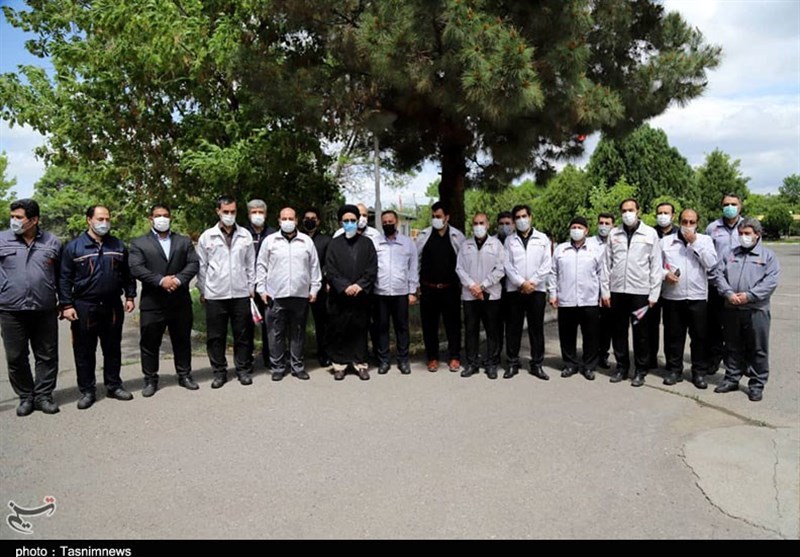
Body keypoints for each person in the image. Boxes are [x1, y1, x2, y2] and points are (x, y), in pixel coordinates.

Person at [60, 205, 137, 409]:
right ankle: (87, 391)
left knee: (112, 348)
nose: (104, 223)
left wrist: (130, 296)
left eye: (107, 219)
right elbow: (64, 279)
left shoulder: (118, 245)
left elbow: (128, 274)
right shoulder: (74, 247)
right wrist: (66, 305)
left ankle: (113, 386)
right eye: (100, 219)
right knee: (84, 351)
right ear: (89, 220)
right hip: (84, 306)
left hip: (112, 306)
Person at [128, 203, 200, 397]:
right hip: (153, 303)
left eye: (165, 215)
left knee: (182, 341)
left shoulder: (183, 241)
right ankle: (150, 379)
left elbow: (193, 263)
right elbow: (136, 268)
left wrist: (177, 279)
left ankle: (184, 375)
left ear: (170, 218)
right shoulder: (139, 243)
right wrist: (161, 281)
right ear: (151, 219)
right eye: (158, 215)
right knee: (150, 343)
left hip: (180, 301)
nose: (162, 218)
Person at [0, 199, 62, 416]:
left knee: (47, 355)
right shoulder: (2, 240)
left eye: (19, 217)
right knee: (16, 356)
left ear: (34, 220)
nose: (14, 221)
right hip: (10, 310)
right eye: (12, 217)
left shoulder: (52, 242)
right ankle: (26, 396)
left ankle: (43, 396)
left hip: (44, 309)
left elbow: (61, 276)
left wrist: (65, 302)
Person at [713, 218, 780, 402]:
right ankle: (731, 378)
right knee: (732, 346)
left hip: (756, 309)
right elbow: (719, 275)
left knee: (758, 348)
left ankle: (757, 384)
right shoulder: (730, 253)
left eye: (747, 234)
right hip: (732, 307)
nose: (743, 237)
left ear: (757, 235)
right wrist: (728, 293)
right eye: (741, 234)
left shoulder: (768, 256)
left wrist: (749, 296)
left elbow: (771, 282)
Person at [600, 198, 662, 387]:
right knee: (619, 331)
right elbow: (606, 264)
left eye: (631, 210)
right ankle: (621, 367)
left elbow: (656, 265)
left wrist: (654, 293)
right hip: (617, 291)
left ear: (638, 211)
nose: (627, 214)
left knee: (640, 332)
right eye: (624, 210)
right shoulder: (614, 234)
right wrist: (605, 291)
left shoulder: (650, 233)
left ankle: (641, 370)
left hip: (640, 293)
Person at [196, 195, 255, 388]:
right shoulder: (207, 236)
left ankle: (243, 370)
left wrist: (251, 288)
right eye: (226, 211)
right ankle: (219, 372)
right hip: (215, 294)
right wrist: (204, 290)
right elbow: (202, 267)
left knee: (243, 335)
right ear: (218, 212)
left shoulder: (245, 235)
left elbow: (251, 264)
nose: (229, 215)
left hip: (240, 293)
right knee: (216, 336)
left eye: (233, 211)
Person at [256, 207, 321, 381]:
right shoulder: (270, 241)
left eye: (290, 218)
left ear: (296, 220)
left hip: (300, 295)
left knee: (297, 333)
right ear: (279, 221)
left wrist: (314, 289)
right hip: (275, 295)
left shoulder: (306, 241)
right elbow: (261, 266)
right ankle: (277, 367)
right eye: (284, 218)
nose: (287, 221)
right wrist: (261, 289)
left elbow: (314, 267)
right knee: (275, 333)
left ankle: (297, 366)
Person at [659, 208, 717, 389]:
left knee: (699, 337)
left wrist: (695, 243)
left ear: (697, 224)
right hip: (672, 297)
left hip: (697, 297)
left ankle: (699, 372)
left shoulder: (705, 240)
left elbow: (711, 263)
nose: (688, 225)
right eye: (685, 222)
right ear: (679, 221)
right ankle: (674, 370)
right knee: (673, 336)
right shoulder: (666, 242)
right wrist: (665, 275)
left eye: (692, 222)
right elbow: (655, 265)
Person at [325, 205, 378, 380]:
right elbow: (330, 269)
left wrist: (359, 285)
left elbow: (372, 268)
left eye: (353, 220)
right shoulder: (334, 244)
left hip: (360, 297)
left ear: (357, 221)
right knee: (340, 329)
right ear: (341, 222)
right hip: (340, 297)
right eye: (346, 221)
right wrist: (344, 286)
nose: (350, 224)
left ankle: (360, 364)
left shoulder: (367, 243)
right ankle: (339, 365)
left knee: (360, 329)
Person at [549, 216, 603, 380]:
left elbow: (602, 274)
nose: (576, 230)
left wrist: (603, 294)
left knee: (591, 335)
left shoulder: (595, 250)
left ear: (586, 231)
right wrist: (553, 293)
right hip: (566, 299)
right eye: (574, 227)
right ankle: (570, 364)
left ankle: (589, 366)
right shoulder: (561, 250)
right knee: (567, 335)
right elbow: (553, 273)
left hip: (590, 299)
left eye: (580, 227)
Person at [503, 204, 552, 380]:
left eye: (524, 216)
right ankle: (512, 363)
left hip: (536, 290)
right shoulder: (509, 240)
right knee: (513, 328)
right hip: (515, 290)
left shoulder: (542, 239)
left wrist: (533, 282)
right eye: (517, 217)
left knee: (536, 328)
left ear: (530, 217)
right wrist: (521, 283)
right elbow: (507, 264)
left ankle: (536, 364)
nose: (521, 220)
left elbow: (546, 264)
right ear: (514, 221)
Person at [416, 201, 466, 372]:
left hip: (450, 289)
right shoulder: (424, 236)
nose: (435, 219)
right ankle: (432, 358)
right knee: (429, 325)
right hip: (428, 289)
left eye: (438, 216)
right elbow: (417, 261)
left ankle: (454, 357)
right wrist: (416, 285)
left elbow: (463, 262)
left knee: (453, 324)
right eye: (433, 216)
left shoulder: (457, 236)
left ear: (447, 217)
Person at [456, 212, 505, 379]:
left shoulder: (496, 245)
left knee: (492, 330)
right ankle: (472, 364)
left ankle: (491, 364)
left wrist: (483, 285)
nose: (478, 226)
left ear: (488, 225)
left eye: (481, 223)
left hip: (490, 294)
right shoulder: (465, 245)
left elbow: (500, 269)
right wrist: (472, 285)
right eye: (475, 223)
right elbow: (459, 268)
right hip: (470, 295)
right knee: (471, 330)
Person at [374, 210, 418, 375]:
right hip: (381, 292)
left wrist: (412, 291)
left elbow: (413, 268)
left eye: (390, 222)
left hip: (401, 292)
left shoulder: (407, 243)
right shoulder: (376, 243)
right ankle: (384, 361)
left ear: (397, 222)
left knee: (402, 328)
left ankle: (403, 360)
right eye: (384, 222)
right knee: (382, 328)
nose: (387, 224)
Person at [705, 193, 745, 373]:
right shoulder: (712, 228)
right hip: (715, 284)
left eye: (733, 204)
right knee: (714, 324)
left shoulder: (747, 226)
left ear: (740, 206)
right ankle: (714, 357)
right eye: (726, 204)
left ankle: (735, 360)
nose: (730, 207)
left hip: (737, 285)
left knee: (735, 325)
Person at [244, 199, 276, 370]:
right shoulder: (243, 233)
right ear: (249, 214)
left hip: (268, 287)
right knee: (246, 325)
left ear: (266, 214)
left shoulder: (273, 234)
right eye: (254, 212)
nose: (257, 215)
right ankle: (246, 360)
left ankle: (270, 358)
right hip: (247, 287)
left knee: (269, 324)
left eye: (260, 212)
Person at [648, 202, 678, 370]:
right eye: (660, 213)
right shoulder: (650, 233)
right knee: (651, 325)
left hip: (673, 288)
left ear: (673, 215)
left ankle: (671, 361)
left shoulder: (679, 234)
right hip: (652, 286)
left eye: (666, 213)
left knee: (672, 327)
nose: (663, 216)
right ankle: (650, 358)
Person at [302, 207, 332, 367]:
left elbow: (328, 263)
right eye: (307, 218)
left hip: (319, 287)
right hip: (299, 287)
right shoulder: (298, 239)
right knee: (298, 322)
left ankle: (324, 353)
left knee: (322, 323)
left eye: (313, 218)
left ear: (318, 221)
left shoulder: (325, 240)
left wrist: (326, 281)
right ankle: (297, 354)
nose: (310, 221)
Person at [588, 213, 615, 369]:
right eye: (601, 223)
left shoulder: (616, 241)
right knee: (592, 326)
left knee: (607, 326)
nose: (603, 226)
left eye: (607, 223)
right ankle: (591, 355)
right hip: (591, 291)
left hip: (610, 291)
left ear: (613, 225)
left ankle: (603, 355)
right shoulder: (590, 242)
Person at [495, 211, 514, 358]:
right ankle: (495, 355)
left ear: (513, 225)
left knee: (512, 325)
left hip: (513, 289)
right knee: (496, 324)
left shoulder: (516, 242)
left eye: (507, 223)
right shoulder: (492, 242)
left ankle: (511, 357)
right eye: (501, 224)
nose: (504, 226)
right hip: (495, 288)